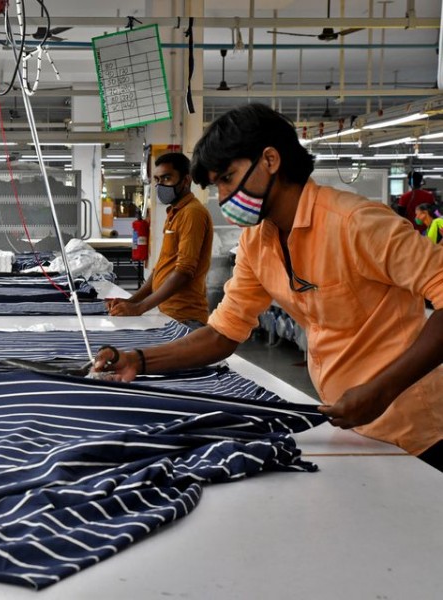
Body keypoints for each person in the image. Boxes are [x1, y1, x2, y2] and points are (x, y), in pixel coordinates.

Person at [92, 103, 443, 470]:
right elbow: (221, 335)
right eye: (217, 186)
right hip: (350, 427)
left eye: (227, 178)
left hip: (414, 429)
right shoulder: (257, 243)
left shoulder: (357, 223)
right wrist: (139, 361)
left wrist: (383, 389)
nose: (224, 196)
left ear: (270, 160)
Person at [106, 153, 213, 328]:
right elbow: (161, 268)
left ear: (186, 180)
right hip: (169, 313)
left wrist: (139, 308)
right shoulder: (175, 212)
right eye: (157, 179)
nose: (160, 184)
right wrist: (130, 301)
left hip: (185, 317)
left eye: (167, 178)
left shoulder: (192, 213)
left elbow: (184, 271)